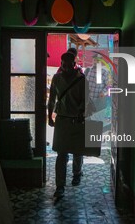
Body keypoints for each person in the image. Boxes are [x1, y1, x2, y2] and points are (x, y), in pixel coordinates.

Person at [48, 52, 88, 198]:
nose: (65, 68)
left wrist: (81, 114)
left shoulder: (81, 80)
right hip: (62, 120)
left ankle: (77, 173)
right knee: (61, 154)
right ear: (61, 63)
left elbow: (86, 100)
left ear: (74, 64)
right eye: (63, 64)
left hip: (76, 119)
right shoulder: (56, 78)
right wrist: (49, 116)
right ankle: (60, 185)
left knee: (77, 151)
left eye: (68, 65)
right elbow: (51, 99)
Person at [85, 53, 110, 122]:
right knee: (87, 120)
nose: (95, 62)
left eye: (97, 60)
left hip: (98, 102)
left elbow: (109, 86)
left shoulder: (105, 73)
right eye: (94, 60)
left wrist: (103, 92)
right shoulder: (87, 71)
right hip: (87, 102)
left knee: (97, 120)